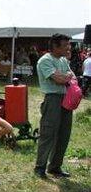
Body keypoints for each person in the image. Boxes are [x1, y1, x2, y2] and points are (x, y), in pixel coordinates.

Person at [34, 33, 75, 179]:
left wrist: (65, 77)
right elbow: (58, 79)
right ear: (55, 46)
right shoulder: (45, 60)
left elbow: (72, 77)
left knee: (64, 133)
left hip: (66, 99)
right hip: (52, 99)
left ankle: (55, 167)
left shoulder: (63, 60)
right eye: (65, 45)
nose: (69, 47)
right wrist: (65, 77)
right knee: (48, 133)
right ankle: (40, 167)